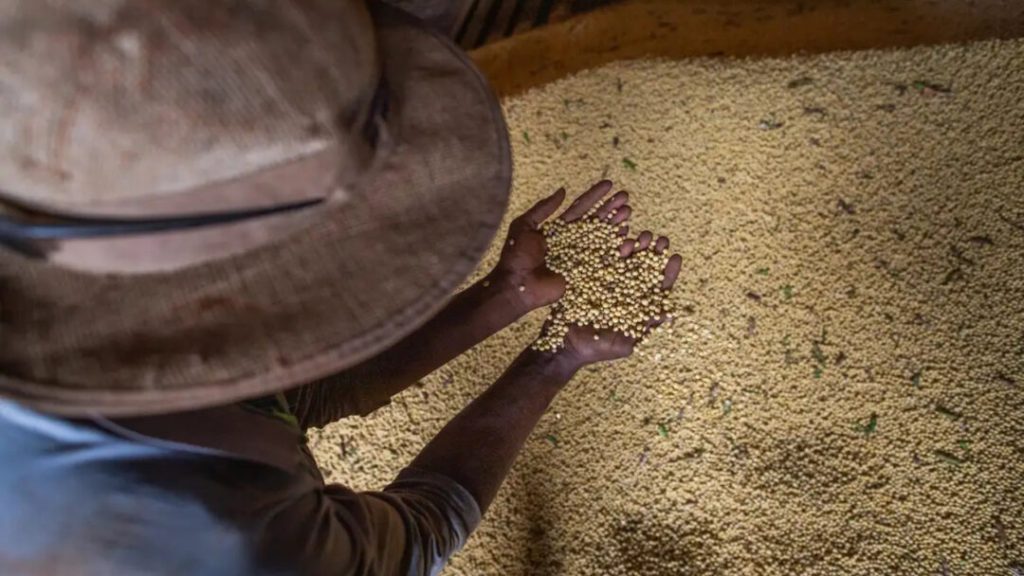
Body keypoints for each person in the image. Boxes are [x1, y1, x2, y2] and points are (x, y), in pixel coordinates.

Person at [0, 1, 681, 574]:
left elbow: (284, 395)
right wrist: (554, 359)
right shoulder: (227, 538)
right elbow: (424, 524)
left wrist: (506, 296)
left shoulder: (47, 121)